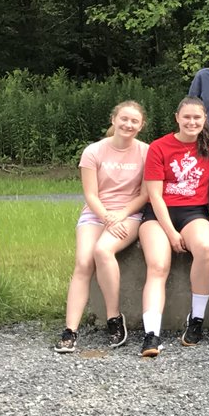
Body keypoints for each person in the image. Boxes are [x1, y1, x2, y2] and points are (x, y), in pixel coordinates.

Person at [54, 101, 150, 354]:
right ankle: (70, 330)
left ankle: (114, 318)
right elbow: (90, 194)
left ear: (141, 126)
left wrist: (120, 215)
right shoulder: (93, 151)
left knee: (103, 251)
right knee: (83, 262)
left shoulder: (146, 152)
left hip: (128, 214)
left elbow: (144, 195)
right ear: (114, 119)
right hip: (96, 214)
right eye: (124, 119)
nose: (128, 125)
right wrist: (106, 216)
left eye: (134, 121)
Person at [137, 97, 209, 356]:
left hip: (194, 211)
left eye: (197, 117)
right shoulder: (159, 147)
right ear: (177, 118)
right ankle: (151, 334)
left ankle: (196, 320)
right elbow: (154, 195)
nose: (192, 122)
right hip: (159, 213)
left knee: (206, 248)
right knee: (158, 265)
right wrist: (172, 233)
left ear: (204, 119)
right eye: (186, 117)